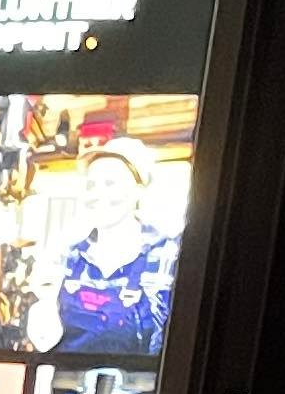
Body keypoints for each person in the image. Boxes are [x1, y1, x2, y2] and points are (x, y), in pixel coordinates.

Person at [29, 135, 181, 357]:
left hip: (142, 380)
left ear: (138, 191)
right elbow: (43, 342)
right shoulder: (67, 256)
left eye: (111, 183)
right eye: (91, 185)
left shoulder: (170, 256)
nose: (98, 195)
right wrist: (44, 305)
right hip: (69, 377)